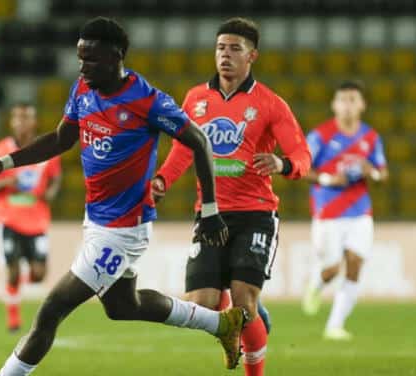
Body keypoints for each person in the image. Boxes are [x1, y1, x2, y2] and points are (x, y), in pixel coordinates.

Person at [0, 17, 244, 376]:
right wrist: (4, 163)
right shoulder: (83, 89)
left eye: (92, 60)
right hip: (98, 220)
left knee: (50, 312)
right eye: (81, 59)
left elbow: (200, 141)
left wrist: (210, 209)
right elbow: (60, 139)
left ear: (117, 57)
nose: (83, 68)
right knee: (122, 306)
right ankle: (221, 324)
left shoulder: (148, 101)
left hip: (122, 230)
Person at [151, 17, 311, 376]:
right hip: (210, 212)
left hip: (255, 213)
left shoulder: (270, 104)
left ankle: (254, 365)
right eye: (221, 48)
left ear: (252, 55)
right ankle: (245, 314)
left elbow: (303, 155)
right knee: (202, 305)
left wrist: (282, 163)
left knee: (244, 303)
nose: (225, 55)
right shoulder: (195, 98)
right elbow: (182, 150)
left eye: (234, 49)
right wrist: (162, 179)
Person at [301, 80, 388, 341]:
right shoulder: (320, 136)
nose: (347, 105)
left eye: (353, 99)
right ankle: (316, 285)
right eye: (343, 100)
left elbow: (382, 173)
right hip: (327, 212)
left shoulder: (371, 138)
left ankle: (335, 326)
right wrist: (329, 179)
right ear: (334, 105)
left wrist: (370, 172)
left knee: (355, 264)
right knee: (331, 269)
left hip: (360, 212)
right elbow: (301, 168)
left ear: (362, 105)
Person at [0, 103, 62, 332]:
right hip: (7, 218)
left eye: (26, 118)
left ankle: (13, 286)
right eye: (17, 118)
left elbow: (56, 178)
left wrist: (51, 192)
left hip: (37, 219)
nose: (21, 122)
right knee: (13, 269)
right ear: (11, 122)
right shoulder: (0, 150)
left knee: (39, 274)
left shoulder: (45, 149)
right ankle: (13, 320)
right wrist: (8, 181)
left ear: (34, 122)